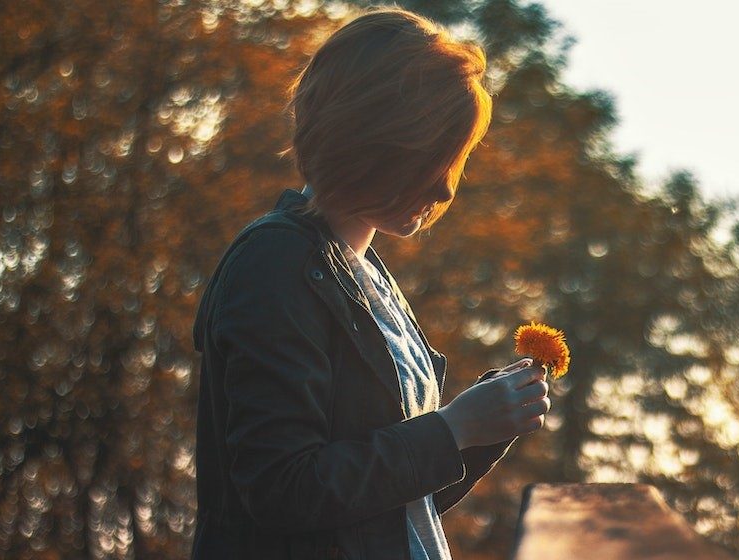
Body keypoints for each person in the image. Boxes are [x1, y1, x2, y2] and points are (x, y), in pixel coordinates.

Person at [189, 8, 549, 559]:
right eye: (432, 157)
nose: (446, 190)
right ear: (371, 140)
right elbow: (282, 490)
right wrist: (452, 429)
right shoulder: (275, 263)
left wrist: (484, 426)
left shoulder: (367, 277)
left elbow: (387, 509)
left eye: (454, 161)